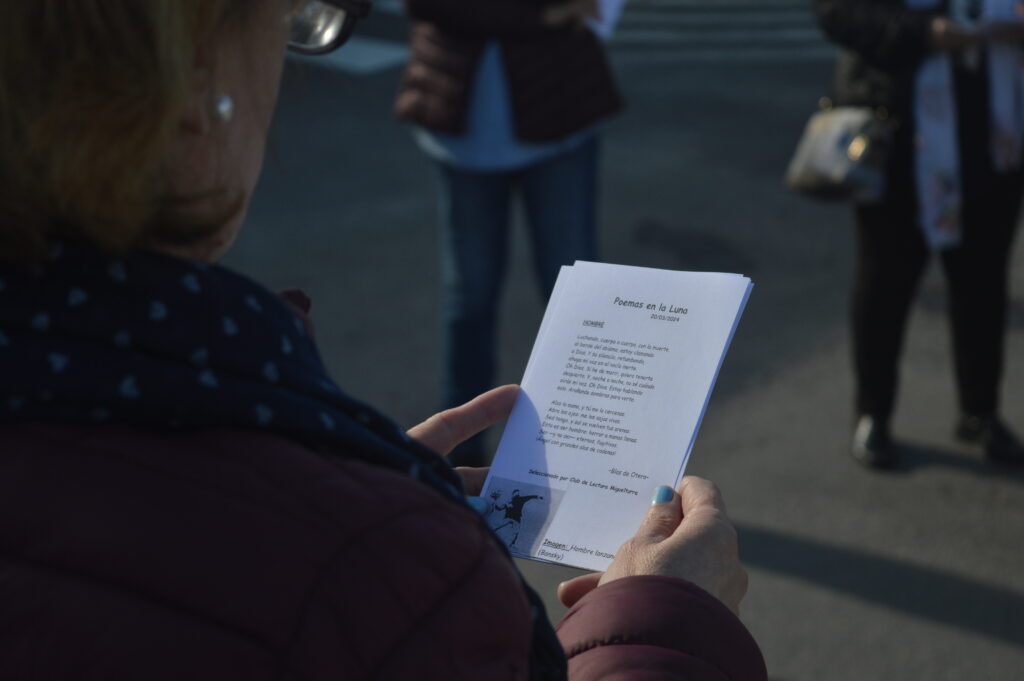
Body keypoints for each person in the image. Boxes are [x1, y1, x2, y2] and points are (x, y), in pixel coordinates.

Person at [0, 1, 766, 678]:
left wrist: (354, 479)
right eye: (290, 17)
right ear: (191, 87)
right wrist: (667, 629)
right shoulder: (377, 582)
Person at [394, 0, 623, 466]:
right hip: (471, 115)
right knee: (473, 294)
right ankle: (460, 454)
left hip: (558, 102)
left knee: (578, 298)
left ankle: (591, 455)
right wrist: (542, 14)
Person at [814, 0, 1024, 468]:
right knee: (884, 282)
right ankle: (873, 414)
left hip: (995, 133)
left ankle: (980, 410)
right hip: (899, 131)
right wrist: (925, 32)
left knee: (984, 282)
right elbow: (834, 11)